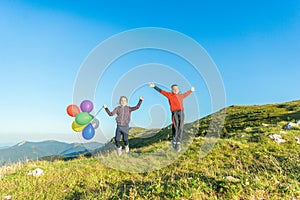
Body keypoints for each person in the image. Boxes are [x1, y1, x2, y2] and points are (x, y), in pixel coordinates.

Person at [149, 83, 194, 152]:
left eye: (176, 89)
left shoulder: (181, 95)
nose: (175, 90)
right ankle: (174, 141)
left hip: (181, 112)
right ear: (172, 90)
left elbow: (186, 94)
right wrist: (154, 86)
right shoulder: (169, 95)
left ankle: (178, 143)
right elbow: (161, 91)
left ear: (178, 90)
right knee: (175, 127)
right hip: (175, 112)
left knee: (180, 127)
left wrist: (191, 90)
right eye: (173, 89)